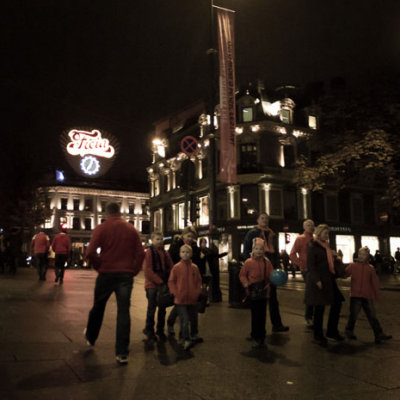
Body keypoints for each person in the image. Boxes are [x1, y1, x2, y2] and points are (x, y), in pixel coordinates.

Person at [84, 202, 145, 365]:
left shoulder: (101, 228)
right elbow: (140, 253)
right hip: (125, 275)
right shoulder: (131, 229)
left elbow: (90, 252)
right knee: (123, 311)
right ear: (120, 211)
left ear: (106, 212)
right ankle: (122, 353)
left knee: (98, 306)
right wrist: (134, 270)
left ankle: (91, 336)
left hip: (106, 273)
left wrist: (99, 266)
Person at [242, 212, 289, 333]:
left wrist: (278, 265)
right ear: (257, 220)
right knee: (258, 301)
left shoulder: (272, 233)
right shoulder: (253, 233)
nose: (265, 220)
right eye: (262, 218)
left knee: (273, 298)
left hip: (270, 268)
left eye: (267, 218)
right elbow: (246, 250)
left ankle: (277, 324)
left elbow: (276, 251)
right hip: (258, 267)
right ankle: (256, 330)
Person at [305, 224, 345, 347]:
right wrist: (317, 281)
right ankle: (318, 335)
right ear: (319, 233)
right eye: (325, 233)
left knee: (337, 302)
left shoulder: (326, 247)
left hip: (329, 280)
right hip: (319, 282)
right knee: (319, 308)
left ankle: (331, 331)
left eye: (328, 234)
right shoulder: (312, 246)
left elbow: (331, 264)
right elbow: (311, 266)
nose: (327, 236)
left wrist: (336, 257)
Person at [345, 247, 392, 344]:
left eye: (364, 254)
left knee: (372, 316)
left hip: (367, 295)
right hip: (356, 295)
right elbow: (344, 274)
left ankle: (378, 334)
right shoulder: (353, 266)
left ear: (368, 256)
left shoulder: (370, 268)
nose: (361, 256)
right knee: (353, 315)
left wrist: (376, 294)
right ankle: (349, 331)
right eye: (360, 254)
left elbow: (374, 282)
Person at [240, 238, 274, 348]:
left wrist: (271, 282)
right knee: (255, 315)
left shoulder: (267, 262)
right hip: (253, 291)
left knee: (262, 315)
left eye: (261, 249)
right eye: (256, 249)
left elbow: (271, 275)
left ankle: (262, 336)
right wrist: (245, 283)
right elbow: (242, 275)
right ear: (253, 250)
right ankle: (255, 336)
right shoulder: (248, 262)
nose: (259, 251)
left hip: (264, 291)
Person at [167, 226, 201, 336]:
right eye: (188, 236)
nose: (190, 238)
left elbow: (198, 264)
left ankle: (184, 332)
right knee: (179, 305)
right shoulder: (176, 246)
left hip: (190, 281)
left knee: (182, 306)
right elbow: (170, 262)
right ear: (183, 235)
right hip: (178, 280)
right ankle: (179, 330)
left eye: (192, 236)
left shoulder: (194, 247)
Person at [168, 244, 202, 351]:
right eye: (183, 252)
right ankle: (186, 338)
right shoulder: (176, 267)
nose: (185, 254)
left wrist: (197, 292)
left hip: (192, 298)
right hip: (180, 299)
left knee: (193, 318)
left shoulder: (194, 268)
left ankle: (194, 334)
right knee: (184, 319)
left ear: (191, 254)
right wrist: (175, 293)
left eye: (187, 252)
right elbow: (171, 281)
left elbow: (198, 281)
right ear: (179, 254)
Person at [142, 231, 173, 341]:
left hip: (162, 284)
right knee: (152, 308)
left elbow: (171, 266)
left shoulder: (165, 253)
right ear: (152, 240)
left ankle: (160, 329)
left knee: (162, 308)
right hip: (151, 285)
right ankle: (149, 329)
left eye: (161, 239)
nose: (160, 241)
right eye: (157, 239)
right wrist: (159, 281)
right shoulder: (149, 253)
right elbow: (147, 270)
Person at [289, 219, 315, 327]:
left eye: (312, 225)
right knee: (311, 291)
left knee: (315, 292)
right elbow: (292, 254)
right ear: (304, 227)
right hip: (307, 269)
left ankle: (312, 316)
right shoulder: (300, 238)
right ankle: (309, 317)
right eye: (308, 225)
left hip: (316, 269)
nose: (310, 226)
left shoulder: (316, 238)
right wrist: (302, 264)